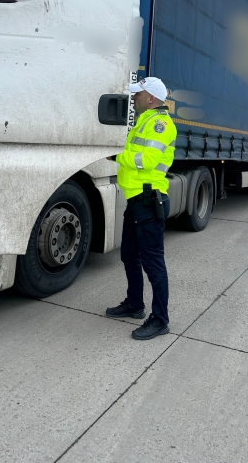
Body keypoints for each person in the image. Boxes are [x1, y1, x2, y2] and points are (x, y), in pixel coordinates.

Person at [106, 77, 177, 340]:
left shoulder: (160, 124)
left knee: (153, 264)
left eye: (138, 94)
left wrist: (116, 156)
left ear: (151, 98)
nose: (134, 98)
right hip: (137, 200)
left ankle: (160, 320)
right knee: (129, 256)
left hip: (149, 201)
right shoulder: (144, 121)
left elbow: (146, 160)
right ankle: (135, 303)